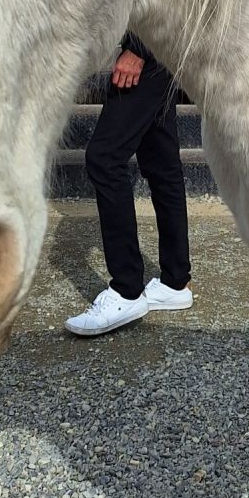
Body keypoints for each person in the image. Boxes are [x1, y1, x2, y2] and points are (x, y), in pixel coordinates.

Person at [65, 33, 193, 335]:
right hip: (161, 46)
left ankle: (127, 291)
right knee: (161, 164)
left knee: (104, 158)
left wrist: (138, 50)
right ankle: (175, 281)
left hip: (150, 46)